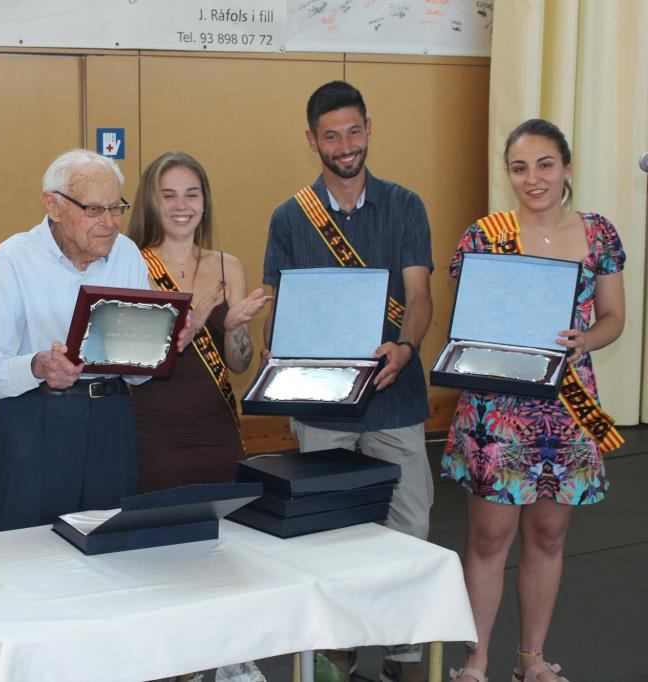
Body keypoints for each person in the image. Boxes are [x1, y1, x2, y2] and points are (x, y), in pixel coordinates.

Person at [262, 80, 434, 682]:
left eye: (354, 130)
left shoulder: (406, 205)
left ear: (369, 128)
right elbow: (284, 314)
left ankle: (404, 654)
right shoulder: (289, 218)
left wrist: (406, 346)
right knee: (328, 532)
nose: (345, 144)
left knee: (409, 526)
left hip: (396, 395)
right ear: (312, 140)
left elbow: (419, 296)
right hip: (322, 406)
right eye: (331, 134)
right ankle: (336, 657)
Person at [443, 119, 626, 682]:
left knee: (548, 535)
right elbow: (470, 322)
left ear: (567, 168)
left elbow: (614, 318)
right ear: (509, 175)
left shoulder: (599, 234)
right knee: (488, 537)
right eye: (520, 168)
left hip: (566, 407)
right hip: (498, 408)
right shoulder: (484, 234)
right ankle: (475, 663)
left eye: (545, 164)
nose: (533, 178)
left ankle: (532, 661)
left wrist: (584, 341)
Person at [0, 149, 191, 532]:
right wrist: (37, 365)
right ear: (52, 205)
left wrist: (160, 347)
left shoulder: (127, 255)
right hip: (35, 421)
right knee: (26, 551)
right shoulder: (15, 258)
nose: (110, 223)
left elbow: (137, 376)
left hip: (112, 421)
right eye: (94, 210)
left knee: (109, 549)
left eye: (117, 208)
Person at [127, 151, 270, 491]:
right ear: (151, 202)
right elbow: (128, 363)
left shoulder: (227, 266)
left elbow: (240, 365)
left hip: (219, 433)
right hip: (153, 435)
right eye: (169, 195)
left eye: (192, 194)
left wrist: (235, 329)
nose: (182, 205)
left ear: (204, 203)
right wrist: (183, 331)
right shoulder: (130, 264)